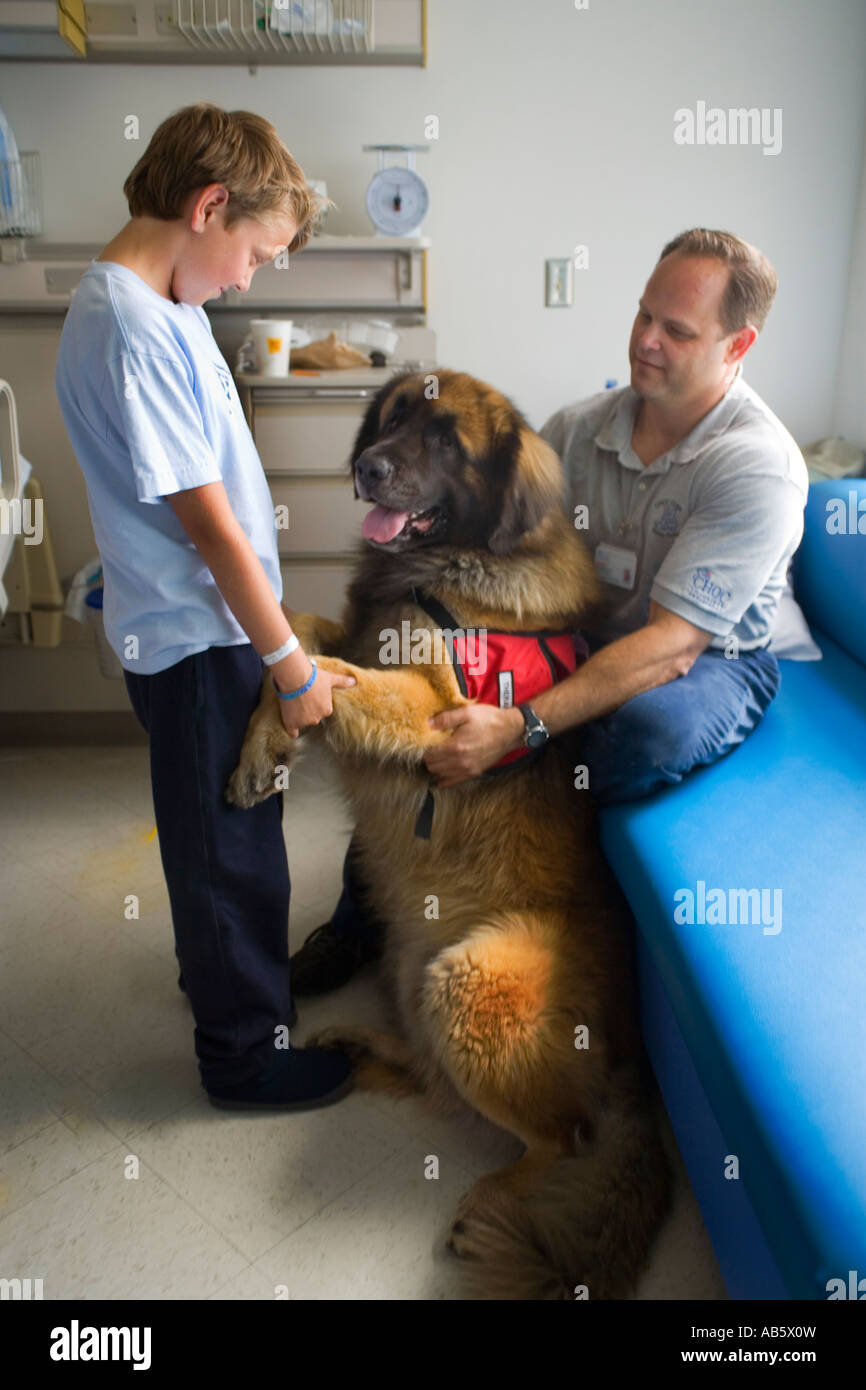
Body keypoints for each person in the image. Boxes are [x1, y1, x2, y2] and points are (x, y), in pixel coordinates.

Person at [293, 227, 808, 993]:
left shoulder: (756, 466)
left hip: (710, 656)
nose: (646, 341)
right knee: (427, 692)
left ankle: (550, 900)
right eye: (644, 314)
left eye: (677, 330)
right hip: (580, 635)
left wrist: (520, 724)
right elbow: (502, 550)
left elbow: (671, 645)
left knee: (643, 732)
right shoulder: (575, 429)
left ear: (739, 345)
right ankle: (359, 920)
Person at [55, 102, 358, 1112]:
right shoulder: (132, 329)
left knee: (217, 837)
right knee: (233, 856)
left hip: (201, 630)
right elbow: (212, 530)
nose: (248, 279)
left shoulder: (159, 305)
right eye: (256, 254)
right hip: (197, 641)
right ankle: (244, 1060)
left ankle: (219, 975)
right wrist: (292, 666)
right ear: (208, 205)